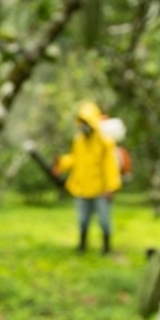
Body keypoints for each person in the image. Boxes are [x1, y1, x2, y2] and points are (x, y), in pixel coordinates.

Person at [54, 102, 122, 254]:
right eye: (82, 123)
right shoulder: (79, 141)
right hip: (82, 188)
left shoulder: (105, 142)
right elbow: (75, 159)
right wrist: (61, 163)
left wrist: (111, 187)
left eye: (87, 123)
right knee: (82, 220)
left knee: (104, 221)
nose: (84, 126)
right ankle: (82, 246)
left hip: (100, 189)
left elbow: (110, 166)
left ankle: (106, 248)